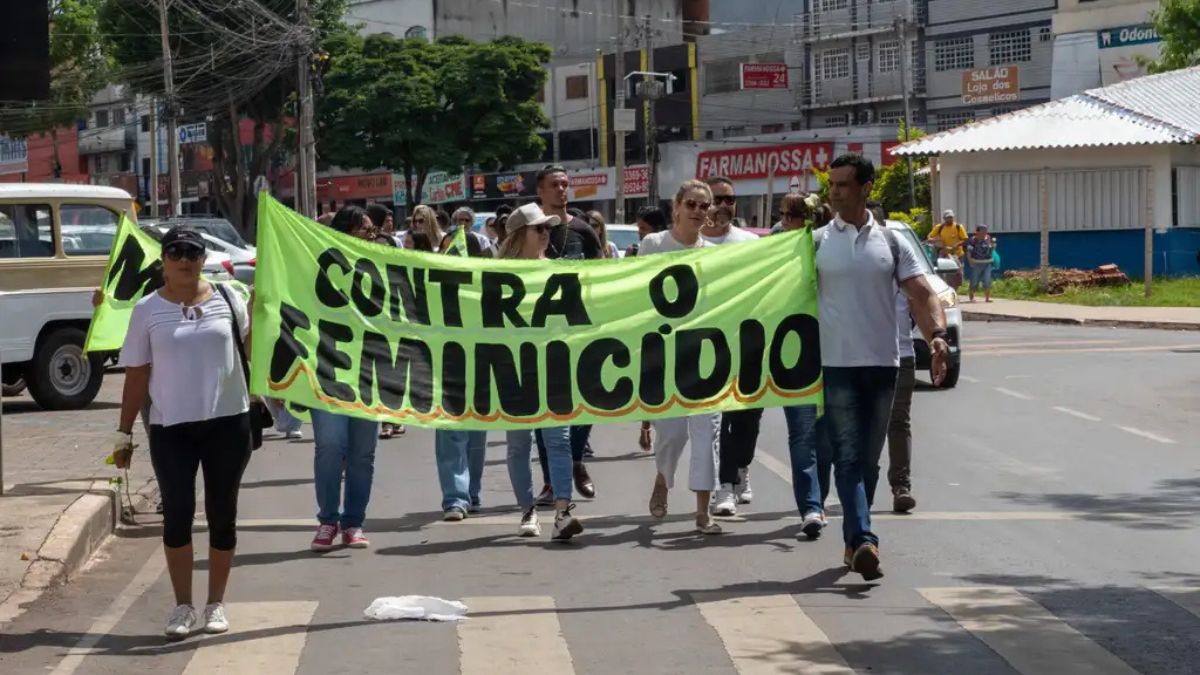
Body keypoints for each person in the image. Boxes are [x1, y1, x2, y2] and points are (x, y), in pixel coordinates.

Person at [113, 225, 253, 639]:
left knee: (222, 515)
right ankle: (182, 606)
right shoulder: (146, 310)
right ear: (163, 262)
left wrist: (270, 393)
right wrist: (123, 434)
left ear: (203, 257)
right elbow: (136, 375)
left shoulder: (230, 299)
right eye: (176, 252)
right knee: (177, 516)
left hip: (228, 423)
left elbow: (251, 348)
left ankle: (215, 605)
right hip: (170, 428)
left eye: (193, 252)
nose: (185, 260)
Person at [816, 154, 950, 580]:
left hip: (884, 365)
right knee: (849, 458)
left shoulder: (892, 242)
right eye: (831, 184)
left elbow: (922, 293)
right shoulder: (815, 242)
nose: (834, 192)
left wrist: (938, 338)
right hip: (834, 366)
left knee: (869, 461)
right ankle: (867, 540)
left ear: (866, 188)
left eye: (843, 184)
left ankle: (852, 543)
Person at [639, 180, 724, 535]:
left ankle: (703, 510)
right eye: (691, 204)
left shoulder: (715, 254)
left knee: (707, 435)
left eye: (704, 206)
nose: (698, 211)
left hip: (706, 356)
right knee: (672, 433)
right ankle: (663, 476)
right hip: (664, 356)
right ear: (675, 207)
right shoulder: (653, 245)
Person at [497, 203, 584, 541]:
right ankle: (527, 510)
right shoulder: (494, 276)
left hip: (553, 367)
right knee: (519, 444)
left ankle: (562, 511)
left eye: (548, 228)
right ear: (520, 235)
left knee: (558, 441)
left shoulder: (558, 272)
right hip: (513, 370)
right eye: (539, 229)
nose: (546, 234)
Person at [309, 206, 383, 552]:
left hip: (369, 376)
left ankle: (353, 522)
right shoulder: (317, 269)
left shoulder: (383, 267)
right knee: (329, 445)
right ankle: (328, 520)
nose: (371, 237)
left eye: (372, 232)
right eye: (365, 231)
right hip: (328, 373)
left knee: (362, 453)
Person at [533, 164, 601, 503]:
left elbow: (602, 279)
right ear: (540, 192)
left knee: (587, 402)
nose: (561, 189)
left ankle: (575, 460)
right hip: (542, 336)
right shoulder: (529, 230)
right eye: (554, 185)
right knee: (544, 411)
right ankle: (549, 481)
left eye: (565, 184)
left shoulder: (584, 231)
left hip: (581, 332)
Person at [763, 193, 827, 537]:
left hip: (833, 354)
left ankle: (825, 497)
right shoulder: (774, 248)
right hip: (793, 357)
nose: (782, 223)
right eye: (782, 216)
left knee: (829, 437)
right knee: (802, 435)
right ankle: (811, 507)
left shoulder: (828, 248)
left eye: (789, 216)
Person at [702, 176, 761, 517]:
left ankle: (741, 468)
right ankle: (722, 487)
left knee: (749, 418)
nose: (725, 205)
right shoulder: (692, 247)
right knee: (717, 419)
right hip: (709, 348)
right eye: (718, 199)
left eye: (731, 199)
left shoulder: (750, 243)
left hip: (748, 343)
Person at [434, 219, 490, 521]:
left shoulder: (489, 289)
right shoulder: (429, 286)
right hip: (446, 368)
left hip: (481, 366)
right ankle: (455, 498)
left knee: (476, 437)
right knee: (450, 434)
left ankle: (472, 492)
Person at [629, 205, 668, 451]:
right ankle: (646, 425)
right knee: (649, 379)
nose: (640, 234)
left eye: (643, 229)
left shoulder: (674, 248)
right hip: (649, 326)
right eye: (639, 229)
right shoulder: (638, 251)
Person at [700, 176, 758, 245]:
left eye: (729, 199)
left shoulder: (750, 242)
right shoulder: (688, 243)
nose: (723, 205)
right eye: (716, 200)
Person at [928, 209, 968, 287]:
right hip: (944, 254)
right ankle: (946, 288)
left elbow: (965, 239)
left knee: (957, 275)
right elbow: (929, 237)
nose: (950, 219)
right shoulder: (939, 227)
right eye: (948, 218)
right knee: (944, 274)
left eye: (951, 217)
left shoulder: (958, 227)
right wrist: (936, 241)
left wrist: (955, 246)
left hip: (957, 254)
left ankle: (956, 289)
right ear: (944, 218)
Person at [966, 225, 996, 303]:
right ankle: (972, 297)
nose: (985, 233)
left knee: (987, 280)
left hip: (987, 263)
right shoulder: (972, 240)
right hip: (976, 263)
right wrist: (970, 261)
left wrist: (993, 247)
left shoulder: (988, 238)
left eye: (986, 231)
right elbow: (969, 252)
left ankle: (987, 298)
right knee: (974, 281)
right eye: (983, 231)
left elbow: (991, 249)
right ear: (977, 231)